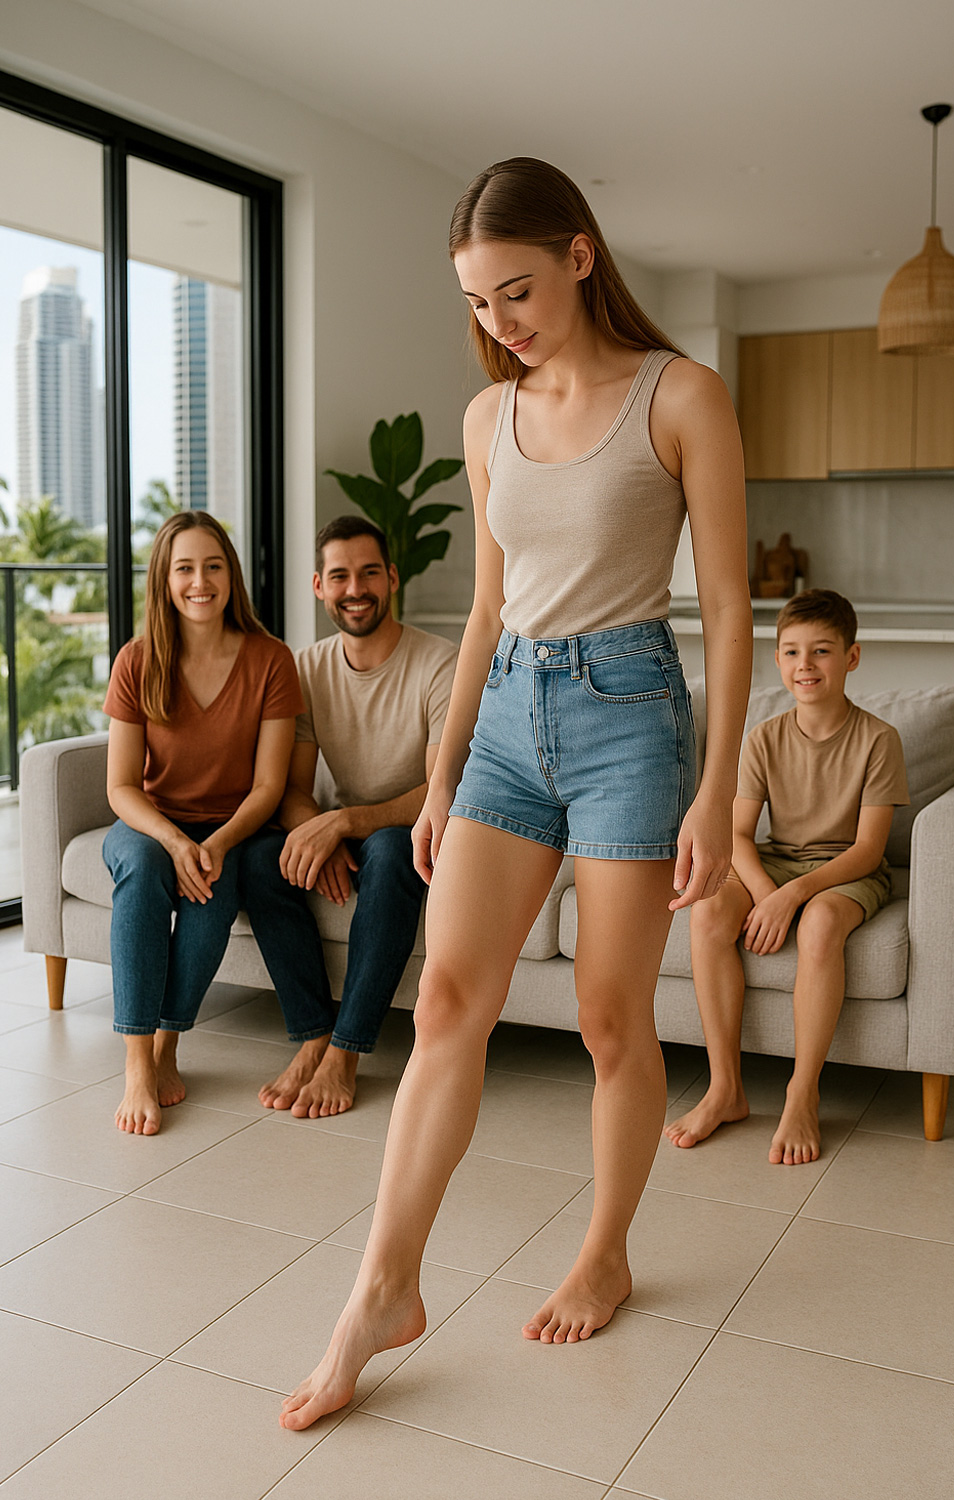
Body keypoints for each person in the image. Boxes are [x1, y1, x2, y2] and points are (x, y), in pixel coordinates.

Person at [280, 156, 751, 1430]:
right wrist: (438, 777)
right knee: (446, 998)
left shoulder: (682, 396)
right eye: (481, 303)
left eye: (519, 290)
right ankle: (383, 1288)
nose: (502, 323)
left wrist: (716, 795)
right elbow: (485, 607)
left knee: (608, 1021)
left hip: (630, 718)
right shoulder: (489, 420)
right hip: (504, 729)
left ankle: (605, 1249)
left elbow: (721, 611)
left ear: (581, 255)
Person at [103, 511, 336, 1136]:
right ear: (164, 579)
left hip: (232, 826)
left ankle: (168, 1047)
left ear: (230, 575)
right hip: (153, 825)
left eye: (213, 566)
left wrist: (215, 843)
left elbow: (268, 787)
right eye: (185, 568)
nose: (199, 581)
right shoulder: (137, 660)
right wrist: (175, 839)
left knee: (214, 891)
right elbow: (121, 786)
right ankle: (137, 1064)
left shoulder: (270, 660)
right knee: (147, 866)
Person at [665, 589, 909, 1165]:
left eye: (822, 651)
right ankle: (725, 1086)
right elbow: (740, 835)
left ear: (851, 658)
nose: (806, 665)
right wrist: (767, 892)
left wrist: (794, 896)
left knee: (821, 924)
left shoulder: (879, 740)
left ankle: (803, 1092)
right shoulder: (764, 736)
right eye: (793, 652)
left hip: (845, 869)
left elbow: (870, 850)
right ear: (777, 660)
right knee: (708, 910)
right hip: (776, 860)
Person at [259, 515, 457, 1116]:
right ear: (318, 586)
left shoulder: (439, 663)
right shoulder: (306, 669)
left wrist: (343, 823)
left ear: (392, 578)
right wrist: (314, 833)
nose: (355, 589)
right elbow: (294, 791)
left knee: (392, 848)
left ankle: (345, 1052)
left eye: (369, 572)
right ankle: (313, 1032)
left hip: (425, 832)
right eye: (339, 576)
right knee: (261, 860)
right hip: (357, 830)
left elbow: (439, 790)